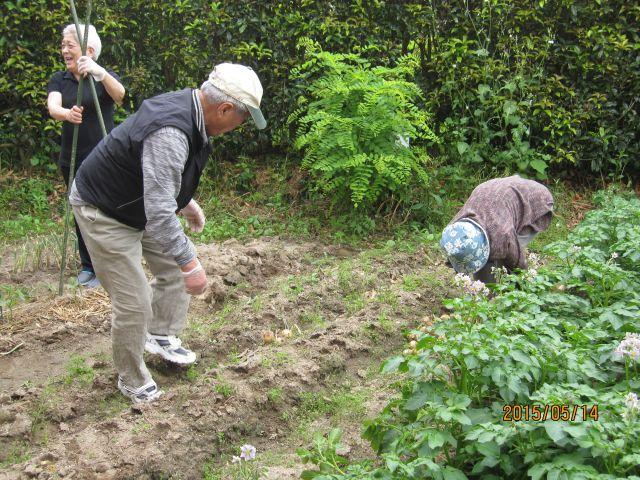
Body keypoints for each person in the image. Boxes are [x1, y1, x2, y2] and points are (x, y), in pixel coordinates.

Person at [69, 63, 266, 403]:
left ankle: (160, 335)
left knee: (173, 265)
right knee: (134, 302)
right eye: (244, 118)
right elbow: (160, 213)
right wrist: (192, 265)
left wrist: (183, 200)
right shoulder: (172, 131)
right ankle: (131, 379)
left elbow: (159, 174)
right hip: (104, 209)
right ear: (224, 109)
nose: (241, 126)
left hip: (137, 202)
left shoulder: (192, 109)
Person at [47, 23, 125, 288]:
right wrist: (67, 114)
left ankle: (109, 266)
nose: (64, 49)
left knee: (105, 212)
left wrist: (100, 72)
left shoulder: (101, 78)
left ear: (89, 51)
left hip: (103, 159)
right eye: (63, 45)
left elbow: (120, 95)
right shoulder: (61, 79)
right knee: (81, 212)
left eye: (70, 44)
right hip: (72, 159)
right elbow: (53, 106)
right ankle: (88, 266)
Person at [440, 175, 554, 283]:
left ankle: (506, 289)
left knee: (503, 255)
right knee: (491, 260)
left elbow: (517, 260)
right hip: (499, 195)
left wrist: (525, 282)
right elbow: (457, 254)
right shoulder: (453, 231)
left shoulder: (502, 233)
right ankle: (491, 287)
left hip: (536, 200)